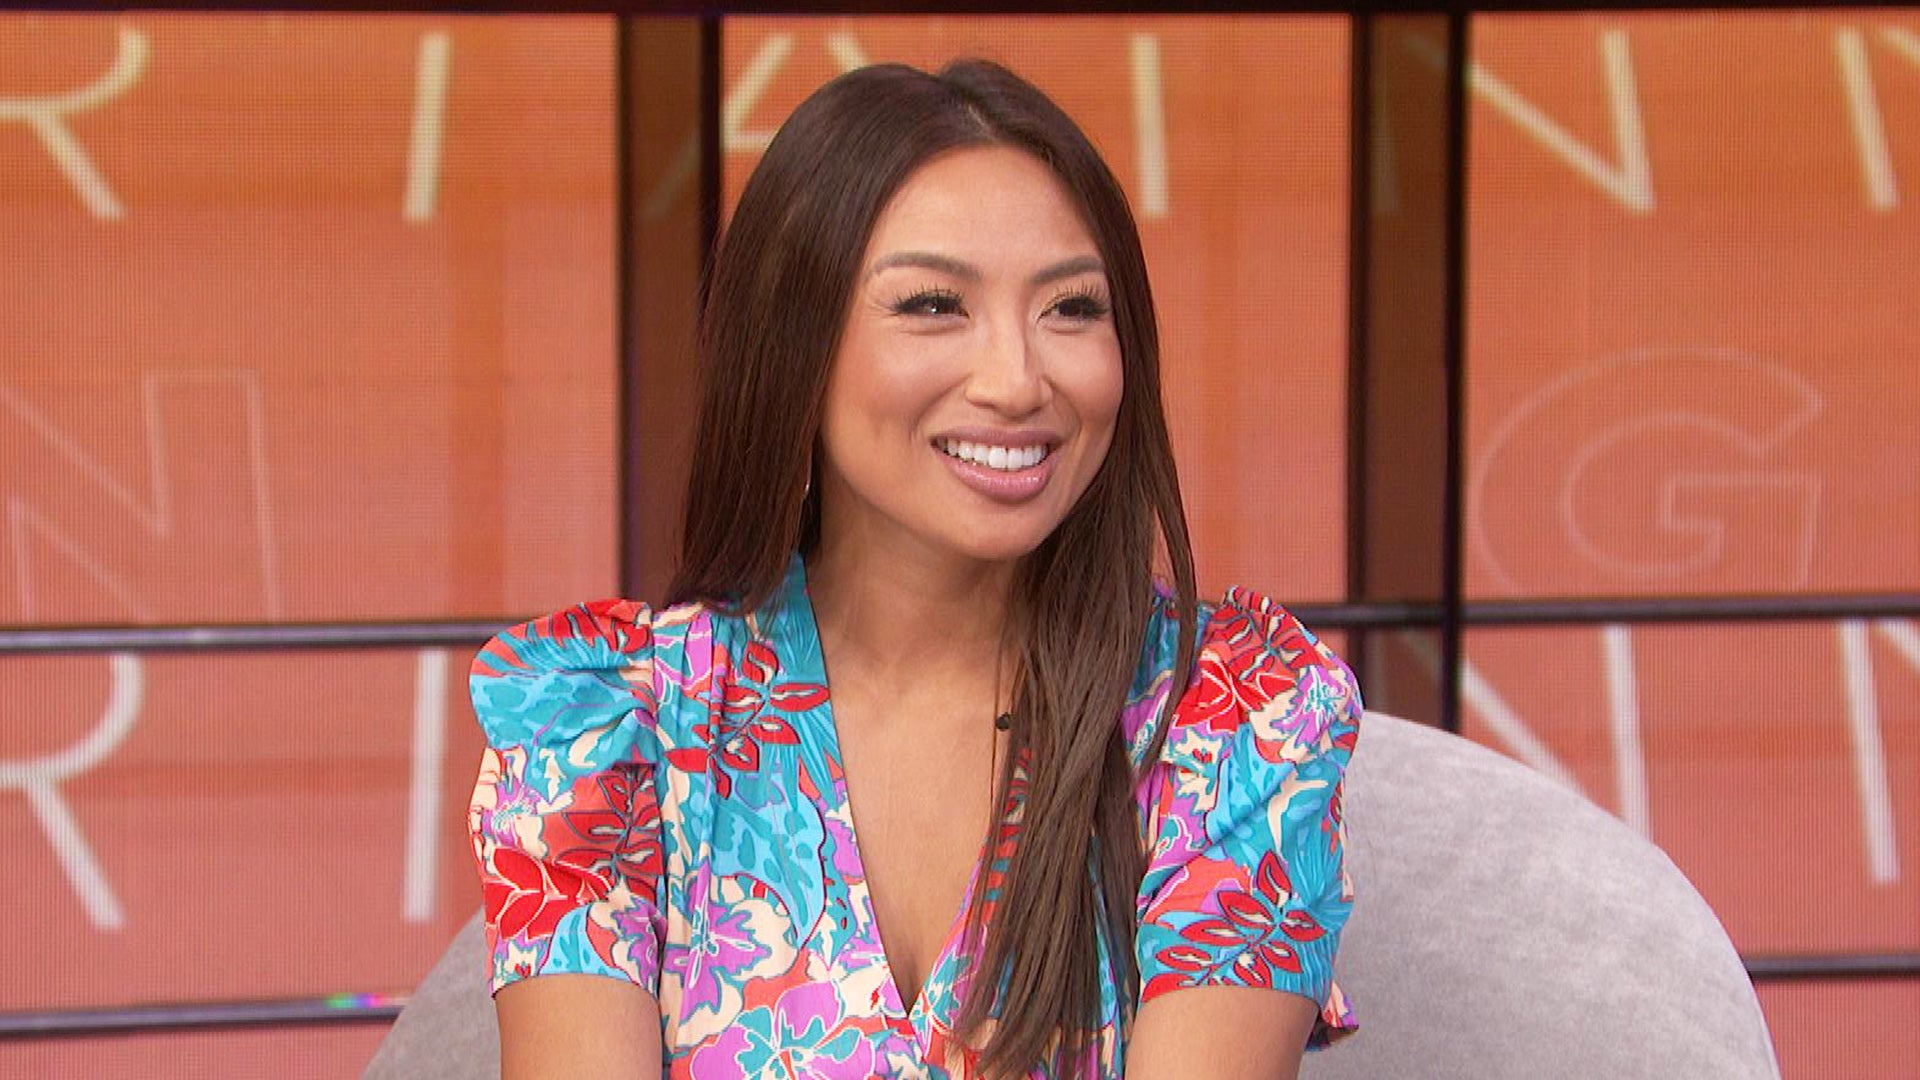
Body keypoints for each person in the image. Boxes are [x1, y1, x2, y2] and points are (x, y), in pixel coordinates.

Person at [466, 58, 1361, 1080]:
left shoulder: (1236, 719)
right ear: (793, 347)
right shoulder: (604, 727)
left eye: (1072, 309)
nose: (1017, 380)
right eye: (935, 304)